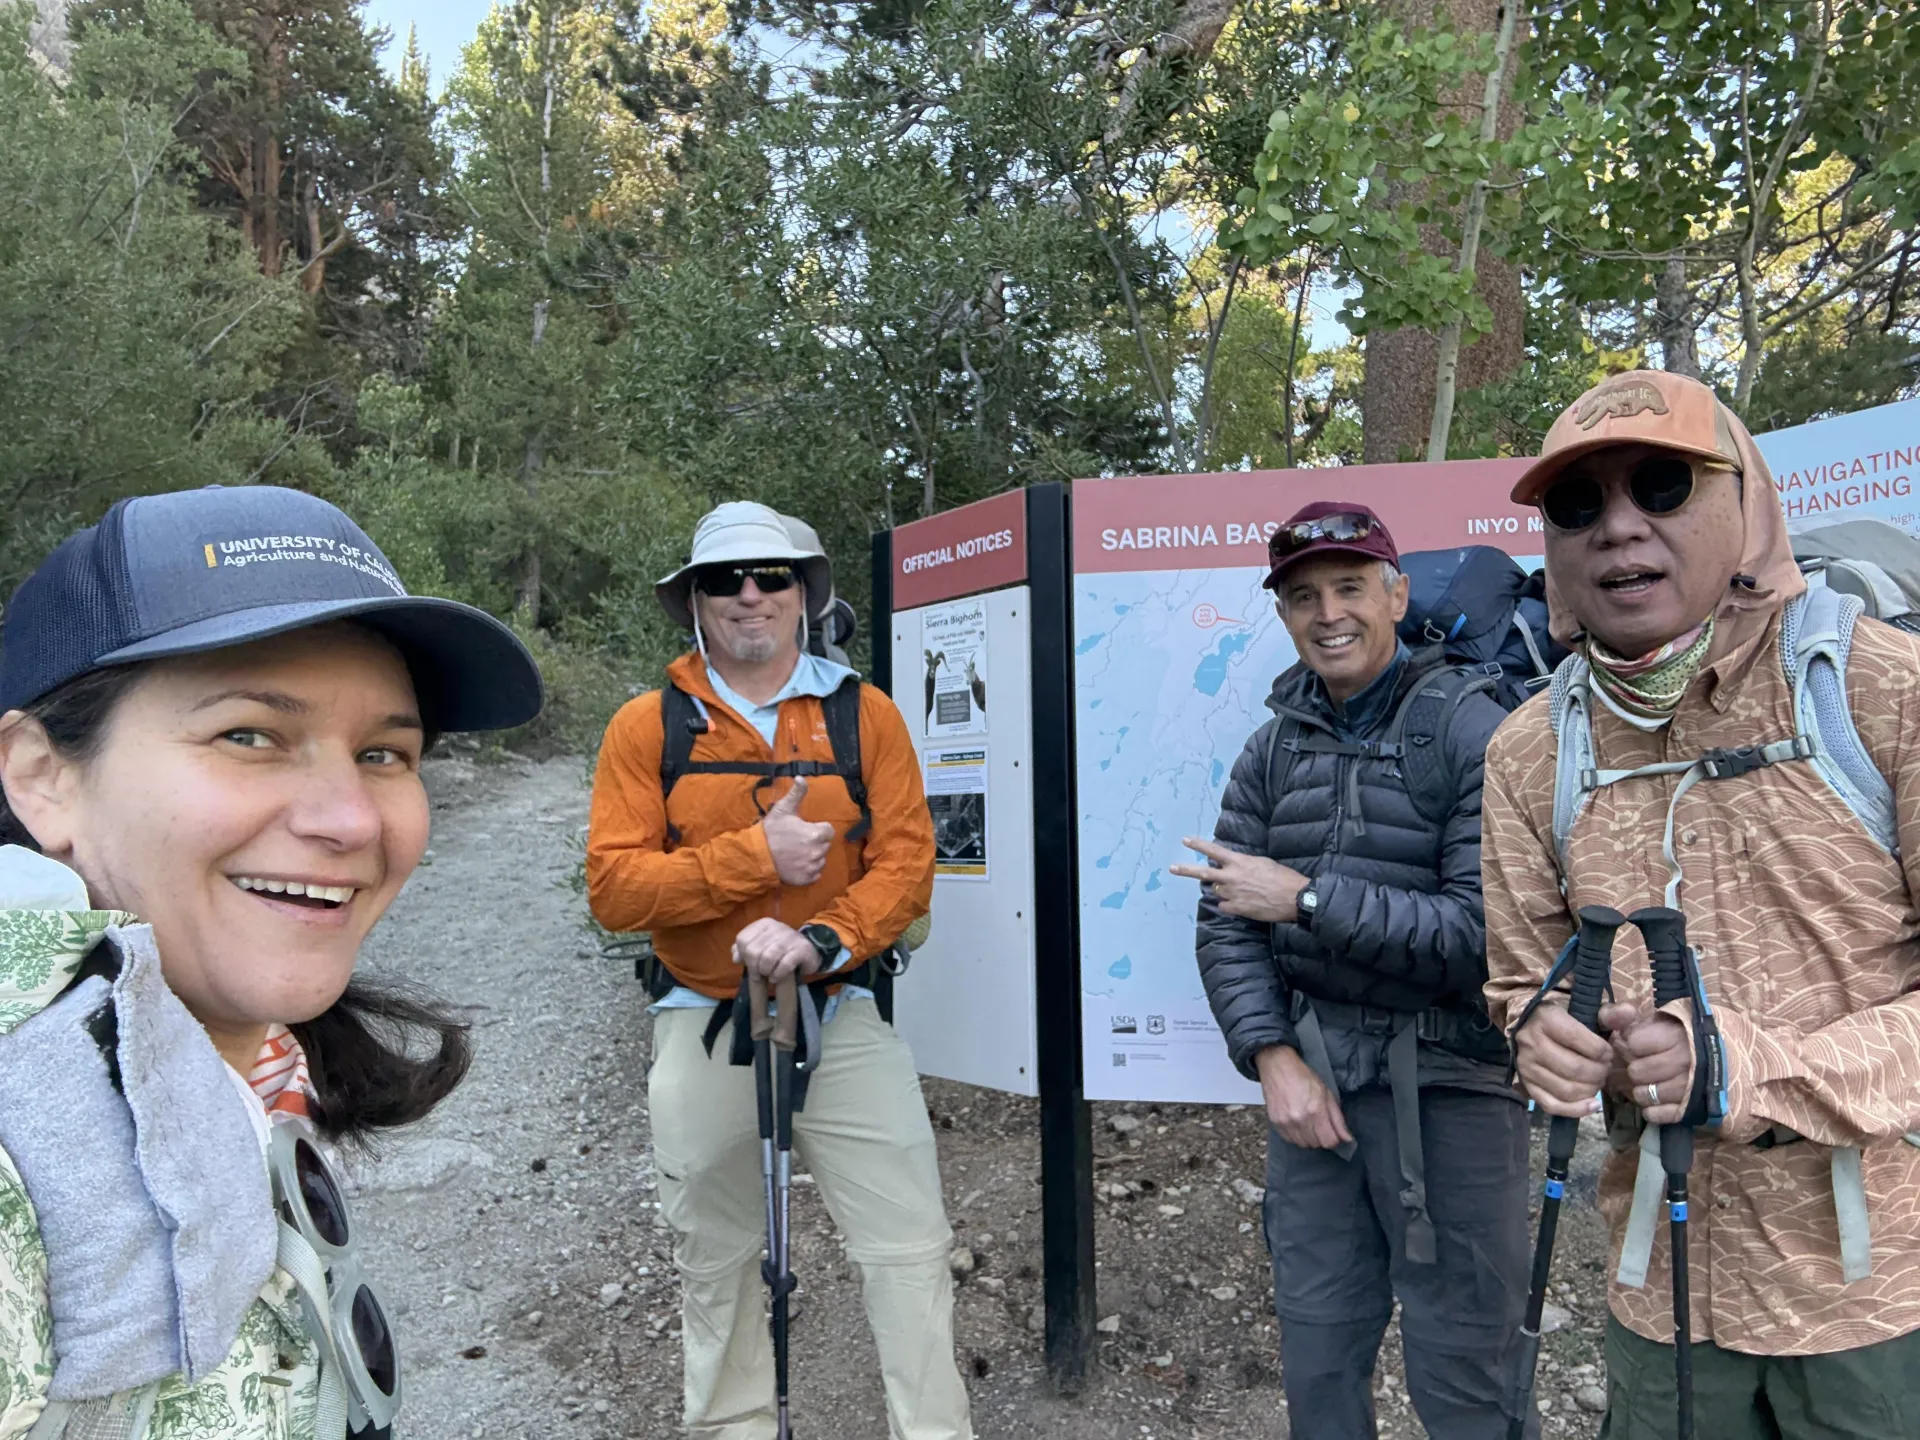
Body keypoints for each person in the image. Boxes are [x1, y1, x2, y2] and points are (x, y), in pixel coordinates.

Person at [0, 485, 543, 1437]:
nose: (349, 820)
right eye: (248, 735)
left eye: (385, 753)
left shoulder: (258, 1068)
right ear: (44, 779)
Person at [1481, 370, 1920, 1439]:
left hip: (1873, 1299)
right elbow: (1520, 977)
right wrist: (1542, 1035)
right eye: (1578, 506)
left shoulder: (1882, 692)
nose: (1619, 527)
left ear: (1747, 501)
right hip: (1658, 1298)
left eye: (1664, 485)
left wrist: (1743, 1066)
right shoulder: (1532, 749)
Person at [586, 501, 970, 1440]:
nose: (750, 596)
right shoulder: (647, 728)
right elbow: (614, 892)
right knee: (713, 1262)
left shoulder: (863, 713)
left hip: (840, 1009)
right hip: (701, 1012)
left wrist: (822, 940)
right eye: (725, 580)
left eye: (772, 577)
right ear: (695, 605)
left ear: (805, 595)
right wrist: (755, 858)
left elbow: (910, 866)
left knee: (910, 1250)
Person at [1172, 501, 1534, 1440]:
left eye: (1349, 588)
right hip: (1316, 1090)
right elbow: (1223, 918)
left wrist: (1308, 901)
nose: (1327, 614)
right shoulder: (1273, 746)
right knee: (1319, 1351)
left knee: (1468, 1367)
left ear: (1396, 593)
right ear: (1283, 616)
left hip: (1452, 1089)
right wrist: (1271, 1059)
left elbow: (1487, 931)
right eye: (1302, 597)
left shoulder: (1471, 728)